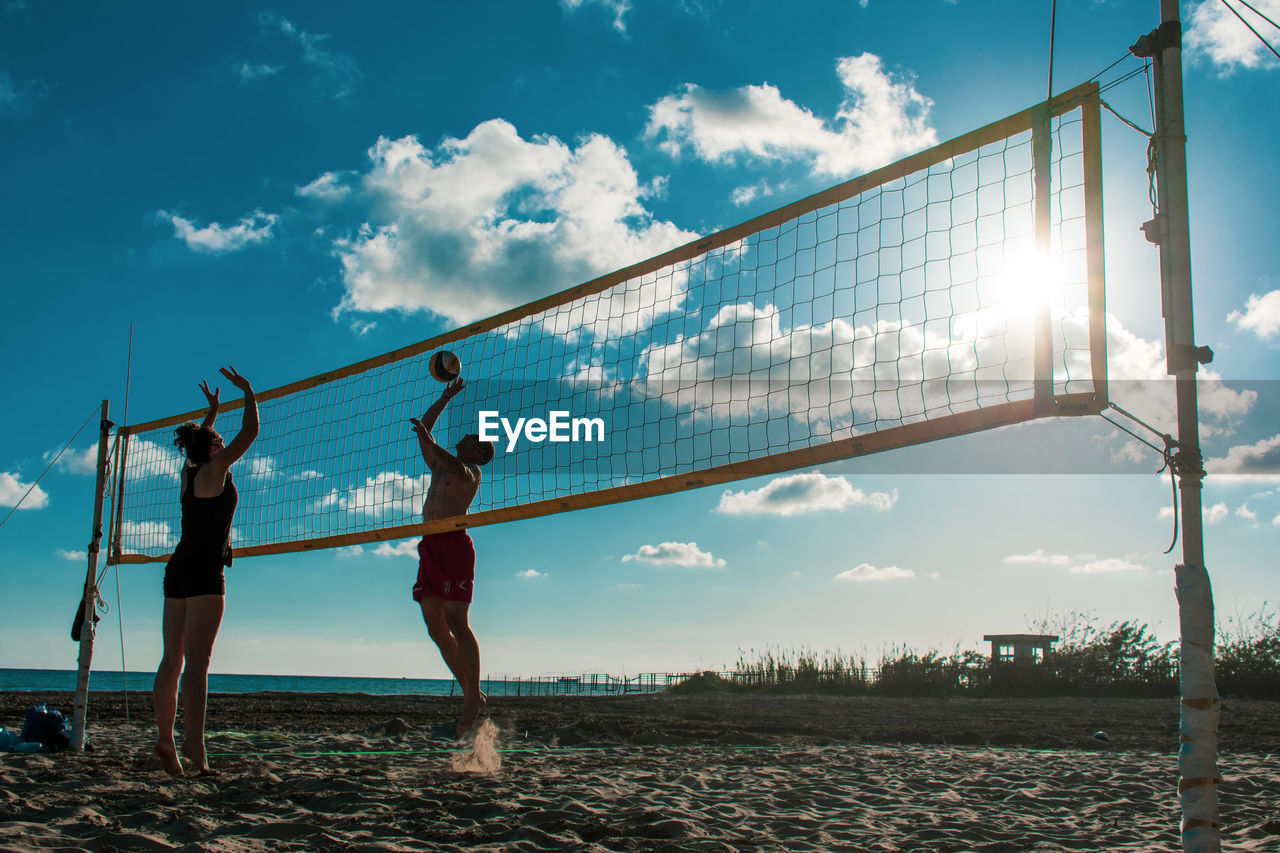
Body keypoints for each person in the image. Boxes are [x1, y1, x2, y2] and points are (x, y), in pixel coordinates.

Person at [153, 366, 259, 775]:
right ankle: (197, 753)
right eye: (217, 441)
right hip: (204, 573)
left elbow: (196, 445)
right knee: (198, 663)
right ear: (214, 449)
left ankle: (166, 741)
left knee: (172, 661)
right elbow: (249, 434)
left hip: (177, 568)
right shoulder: (216, 471)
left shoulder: (189, 473)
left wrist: (211, 415)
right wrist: (248, 392)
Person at [409, 377, 495, 734]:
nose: (463, 437)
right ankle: (471, 692)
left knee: (458, 624)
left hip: (455, 546)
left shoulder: (469, 472)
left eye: (470, 439)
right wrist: (445, 396)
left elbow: (441, 450)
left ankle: (471, 697)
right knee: (435, 628)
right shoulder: (441, 466)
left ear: (477, 453)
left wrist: (430, 440)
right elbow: (425, 428)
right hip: (430, 545)